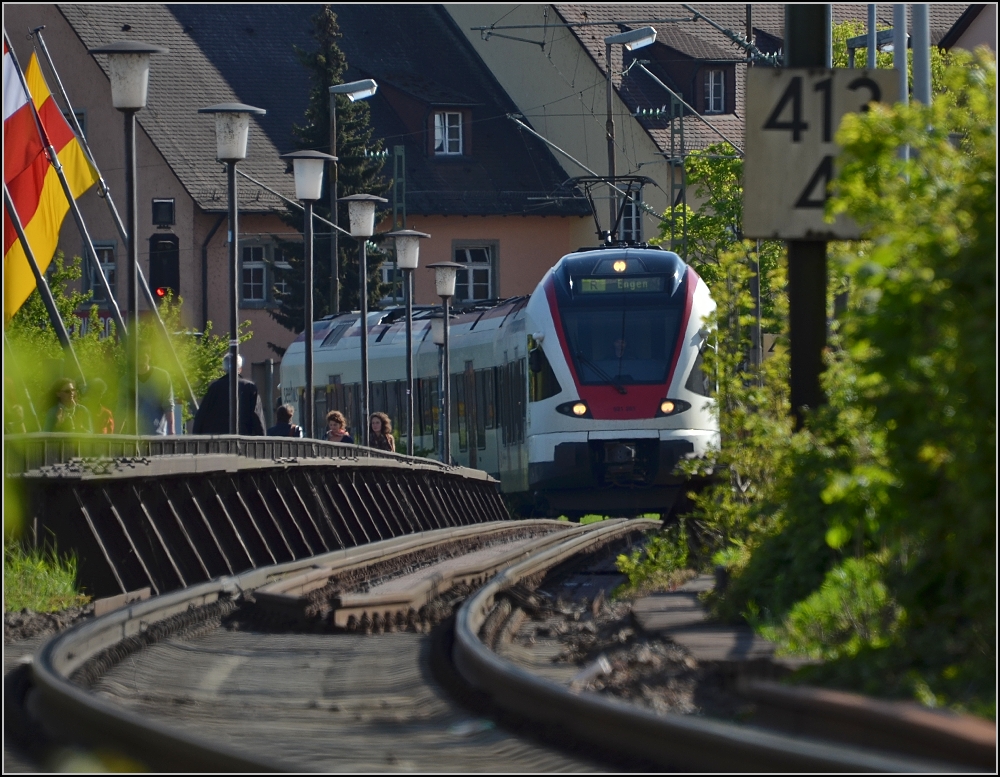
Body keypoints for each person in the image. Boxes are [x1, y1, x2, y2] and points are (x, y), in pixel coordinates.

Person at [192, 353, 266, 435]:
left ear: (224, 369)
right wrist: (262, 438)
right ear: (240, 369)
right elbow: (257, 417)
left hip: (217, 440)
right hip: (243, 440)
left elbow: (201, 416)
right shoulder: (250, 388)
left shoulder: (214, 388)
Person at [136, 347, 175, 435]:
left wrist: (171, 432)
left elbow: (168, 405)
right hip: (134, 436)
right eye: (138, 358)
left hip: (157, 435)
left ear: (149, 357)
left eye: (143, 357)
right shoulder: (127, 380)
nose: (141, 361)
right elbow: (121, 410)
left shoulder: (162, 377)